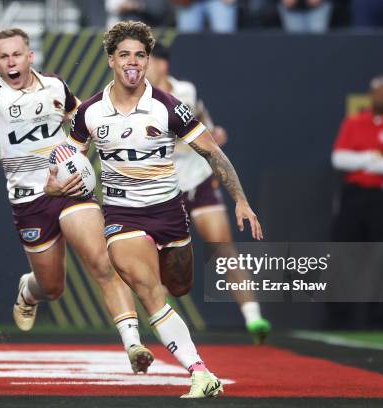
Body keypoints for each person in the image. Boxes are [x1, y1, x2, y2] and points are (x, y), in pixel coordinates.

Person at [0, 13, 153, 373]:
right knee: (53, 287)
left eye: (17, 54)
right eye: (3, 56)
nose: (11, 61)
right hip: (29, 201)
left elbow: (80, 120)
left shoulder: (56, 86)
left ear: (30, 56)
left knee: (102, 262)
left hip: (69, 189)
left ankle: (133, 344)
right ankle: (30, 290)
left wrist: (81, 159)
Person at [67, 21, 263, 398]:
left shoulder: (169, 106)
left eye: (140, 55)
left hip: (170, 212)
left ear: (148, 61)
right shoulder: (90, 112)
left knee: (179, 285)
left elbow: (212, 152)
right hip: (123, 216)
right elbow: (69, 160)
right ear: (111, 60)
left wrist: (240, 199)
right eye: (124, 54)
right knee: (148, 288)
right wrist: (56, 183)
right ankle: (200, 371)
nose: (132, 62)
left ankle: (193, 356)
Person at [146, 42, 271, 343]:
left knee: (222, 247)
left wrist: (213, 133)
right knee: (160, 258)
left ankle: (254, 319)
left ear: (162, 65)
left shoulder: (185, 91)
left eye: (145, 60)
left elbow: (202, 125)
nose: (139, 67)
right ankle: (159, 328)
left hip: (198, 180)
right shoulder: (139, 98)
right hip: (165, 186)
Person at [331, 76, 383, 242]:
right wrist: (372, 157)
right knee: (346, 247)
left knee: (381, 252)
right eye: (377, 93)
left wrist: (356, 161)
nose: (381, 97)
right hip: (354, 194)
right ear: (370, 94)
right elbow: (338, 159)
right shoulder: (353, 122)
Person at [173, 0, 238, 33]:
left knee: (225, 35)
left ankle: (225, 57)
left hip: (219, 2)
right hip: (191, 3)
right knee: (186, 37)